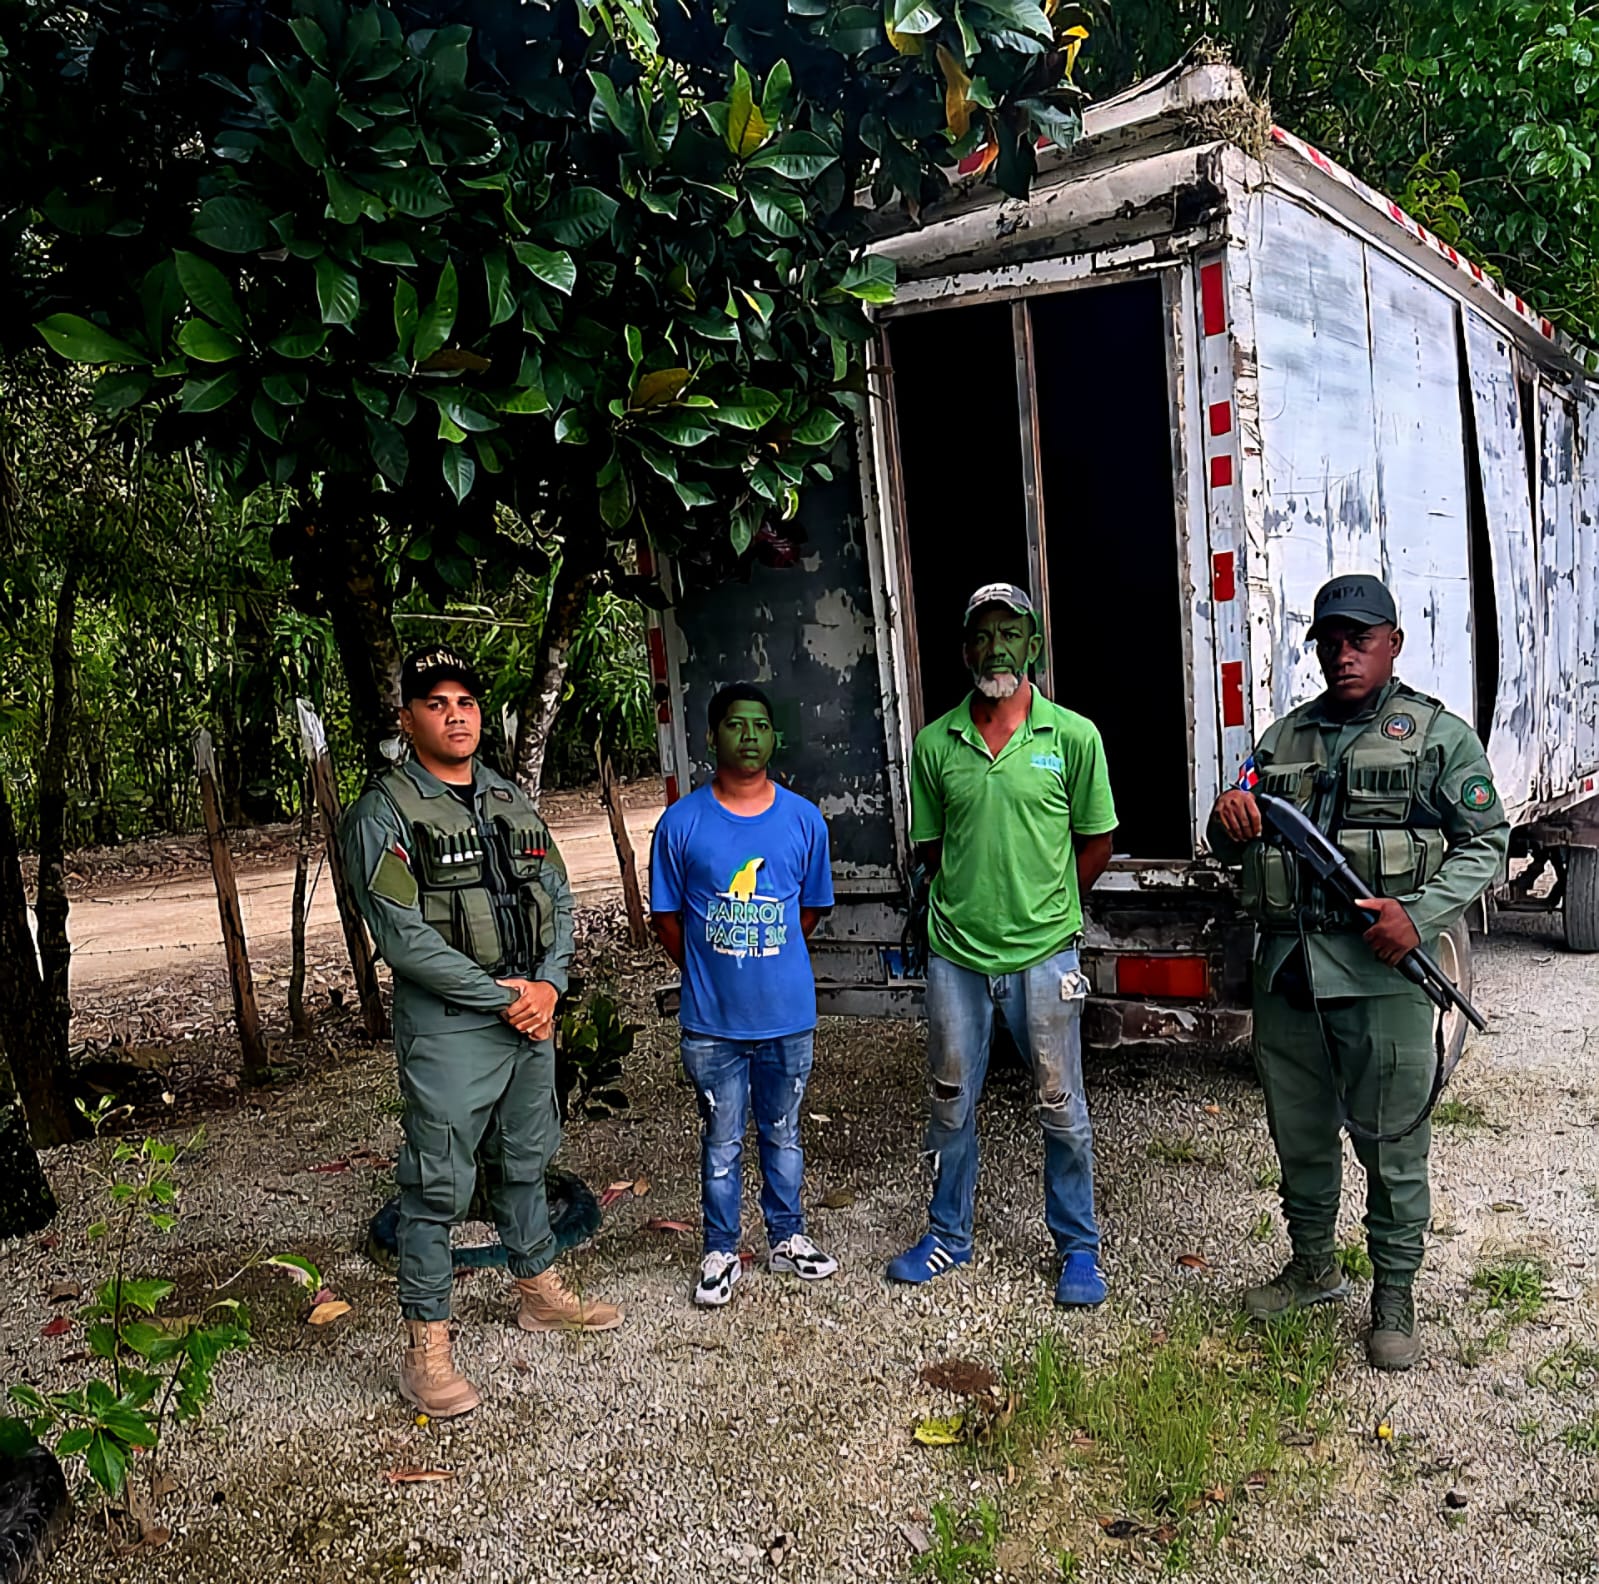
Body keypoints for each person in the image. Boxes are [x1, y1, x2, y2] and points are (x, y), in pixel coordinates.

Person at [1207, 574, 1509, 1370]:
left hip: (1381, 978)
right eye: (1330, 641)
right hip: (1289, 975)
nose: (1343, 655)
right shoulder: (1282, 739)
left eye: (1360, 640)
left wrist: (1420, 915)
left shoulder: (1436, 738)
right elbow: (1230, 828)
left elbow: (1487, 840)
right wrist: (1226, 818)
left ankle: (1394, 1294)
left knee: (1392, 1151)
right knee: (1299, 1136)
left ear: (1392, 645)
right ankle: (1312, 1267)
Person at [343, 645, 621, 1419]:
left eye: (464, 701)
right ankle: (426, 1347)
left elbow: (557, 897)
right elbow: (400, 935)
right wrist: (499, 997)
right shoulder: (384, 811)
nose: (454, 714)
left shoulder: (508, 798)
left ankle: (536, 1288)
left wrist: (549, 985)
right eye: (435, 703)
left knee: (525, 1157)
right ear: (407, 719)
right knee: (436, 1184)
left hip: (530, 1012)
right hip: (452, 1024)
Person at [887, 583, 1118, 1306]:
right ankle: (947, 1236)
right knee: (949, 1102)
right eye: (982, 635)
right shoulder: (935, 744)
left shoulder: (1073, 737)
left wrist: (1046, 906)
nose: (996, 648)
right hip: (956, 956)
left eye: (1010, 633)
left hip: (1045, 955)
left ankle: (1078, 1251)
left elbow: (1096, 842)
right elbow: (933, 849)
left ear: (1033, 646)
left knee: (1061, 1106)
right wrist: (975, 904)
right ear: (965, 651)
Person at [650, 682, 839, 1307]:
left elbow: (808, 912)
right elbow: (667, 918)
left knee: (783, 1134)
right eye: (736, 724)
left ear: (774, 735)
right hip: (712, 1024)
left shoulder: (804, 820)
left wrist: (764, 954)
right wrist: (709, 967)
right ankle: (720, 1250)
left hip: (787, 1016)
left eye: (761, 724)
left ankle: (788, 1237)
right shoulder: (681, 824)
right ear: (711, 737)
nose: (750, 736)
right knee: (722, 1141)